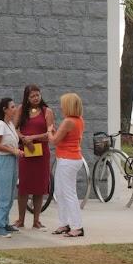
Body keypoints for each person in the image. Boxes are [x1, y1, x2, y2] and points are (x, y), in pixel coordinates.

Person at [14, 84, 55, 229]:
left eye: (38, 95)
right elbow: (15, 129)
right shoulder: (20, 110)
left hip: (41, 154)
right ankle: (20, 219)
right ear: (27, 97)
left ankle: (36, 220)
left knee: (39, 187)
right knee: (24, 186)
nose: (36, 98)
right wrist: (24, 138)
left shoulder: (47, 111)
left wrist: (32, 137)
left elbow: (50, 134)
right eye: (32, 96)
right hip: (25, 152)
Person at [47, 92, 85, 238]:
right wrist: (55, 133)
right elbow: (67, 138)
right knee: (60, 193)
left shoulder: (68, 121)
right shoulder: (79, 120)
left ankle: (77, 227)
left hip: (68, 160)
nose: (61, 107)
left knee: (68, 193)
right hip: (70, 159)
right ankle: (64, 223)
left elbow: (54, 141)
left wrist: (50, 131)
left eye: (63, 104)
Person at [0, 97, 22, 238]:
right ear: (5, 109)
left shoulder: (9, 124)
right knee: (3, 195)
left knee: (9, 195)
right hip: (3, 161)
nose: (15, 109)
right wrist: (13, 151)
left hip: (11, 160)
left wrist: (17, 150)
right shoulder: (0, 125)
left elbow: (12, 143)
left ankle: (5, 222)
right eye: (12, 107)